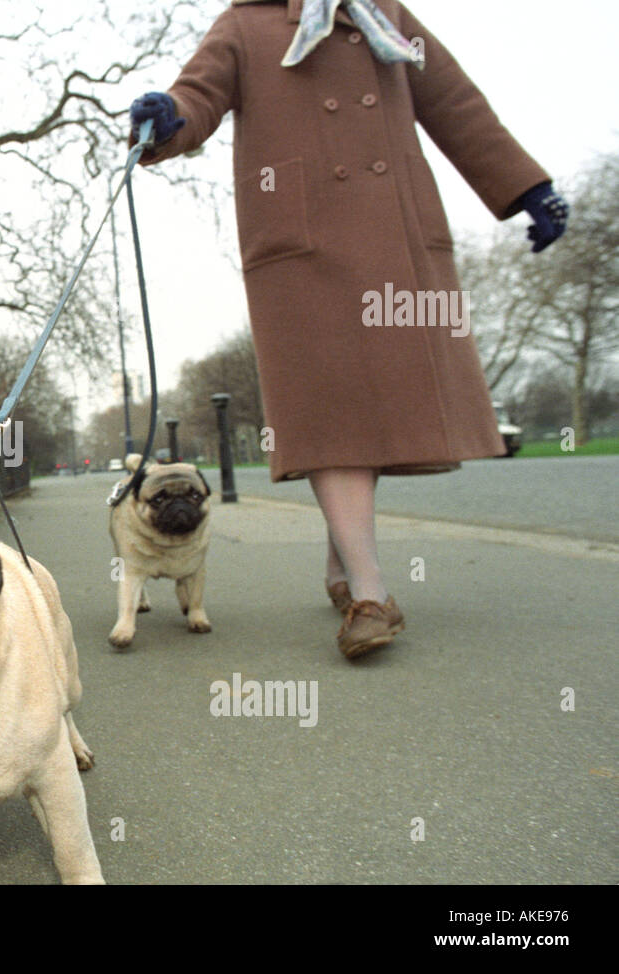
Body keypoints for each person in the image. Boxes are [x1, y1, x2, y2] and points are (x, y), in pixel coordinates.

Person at [129, 0, 568, 658]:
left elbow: (454, 101)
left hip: (393, 234)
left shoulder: (383, 15)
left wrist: (527, 186)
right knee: (331, 414)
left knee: (376, 410)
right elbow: (199, 95)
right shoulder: (246, 23)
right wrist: (166, 118)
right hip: (300, 251)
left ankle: (341, 565)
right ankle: (370, 592)